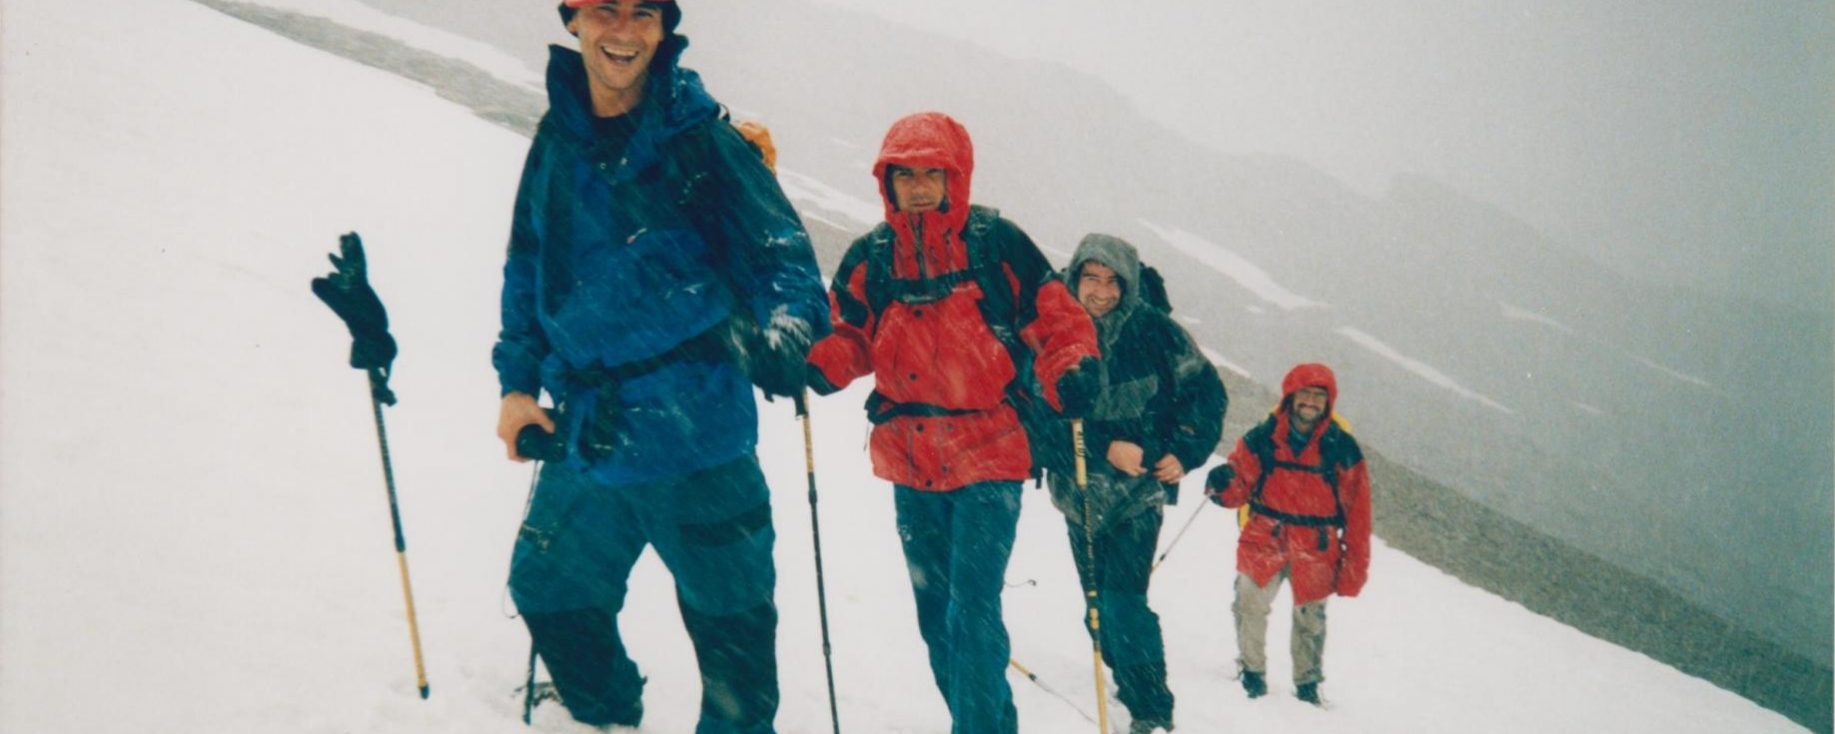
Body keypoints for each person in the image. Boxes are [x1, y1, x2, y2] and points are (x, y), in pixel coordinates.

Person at [491, 1, 829, 731]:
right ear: (574, 19)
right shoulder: (557, 140)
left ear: (663, 29)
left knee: (733, 648)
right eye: (605, 9)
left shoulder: (704, 142)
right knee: (548, 590)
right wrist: (517, 387)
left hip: (698, 435)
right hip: (590, 433)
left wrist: (785, 337)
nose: (623, 30)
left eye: (643, 13)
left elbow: (788, 266)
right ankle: (606, 713)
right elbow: (527, 271)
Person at [805, 111, 1100, 734]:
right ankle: (991, 723)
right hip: (909, 459)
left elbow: (1055, 320)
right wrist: (818, 364)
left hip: (989, 451)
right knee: (936, 616)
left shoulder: (996, 243)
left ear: (955, 176)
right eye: (903, 175)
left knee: (971, 611)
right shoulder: (872, 256)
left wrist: (1071, 366)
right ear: (886, 181)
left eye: (930, 174)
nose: (916, 187)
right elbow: (850, 331)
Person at [1047, 234, 1227, 734]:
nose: (1101, 292)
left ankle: (1151, 711)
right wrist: (1104, 448)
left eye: (1112, 281)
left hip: (1137, 498)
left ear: (1128, 285)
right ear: (1074, 277)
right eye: (1091, 278)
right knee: (1098, 610)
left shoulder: (1157, 334)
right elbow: (1035, 422)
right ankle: (1127, 676)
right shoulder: (1048, 331)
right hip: (1078, 498)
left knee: (1123, 604)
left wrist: (1184, 453)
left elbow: (1206, 395)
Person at [1206, 363, 1371, 706]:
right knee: (1248, 603)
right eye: (1305, 394)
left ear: (1329, 403)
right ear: (1290, 397)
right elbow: (1240, 487)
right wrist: (1223, 483)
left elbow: (1358, 513)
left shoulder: (1341, 447)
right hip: (1266, 535)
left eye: (1319, 396)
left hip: (1316, 544)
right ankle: (1252, 673)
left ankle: (1307, 684)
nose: (1311, 401)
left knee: (1310, 618)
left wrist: (1354, 566)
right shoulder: (1262, 438)